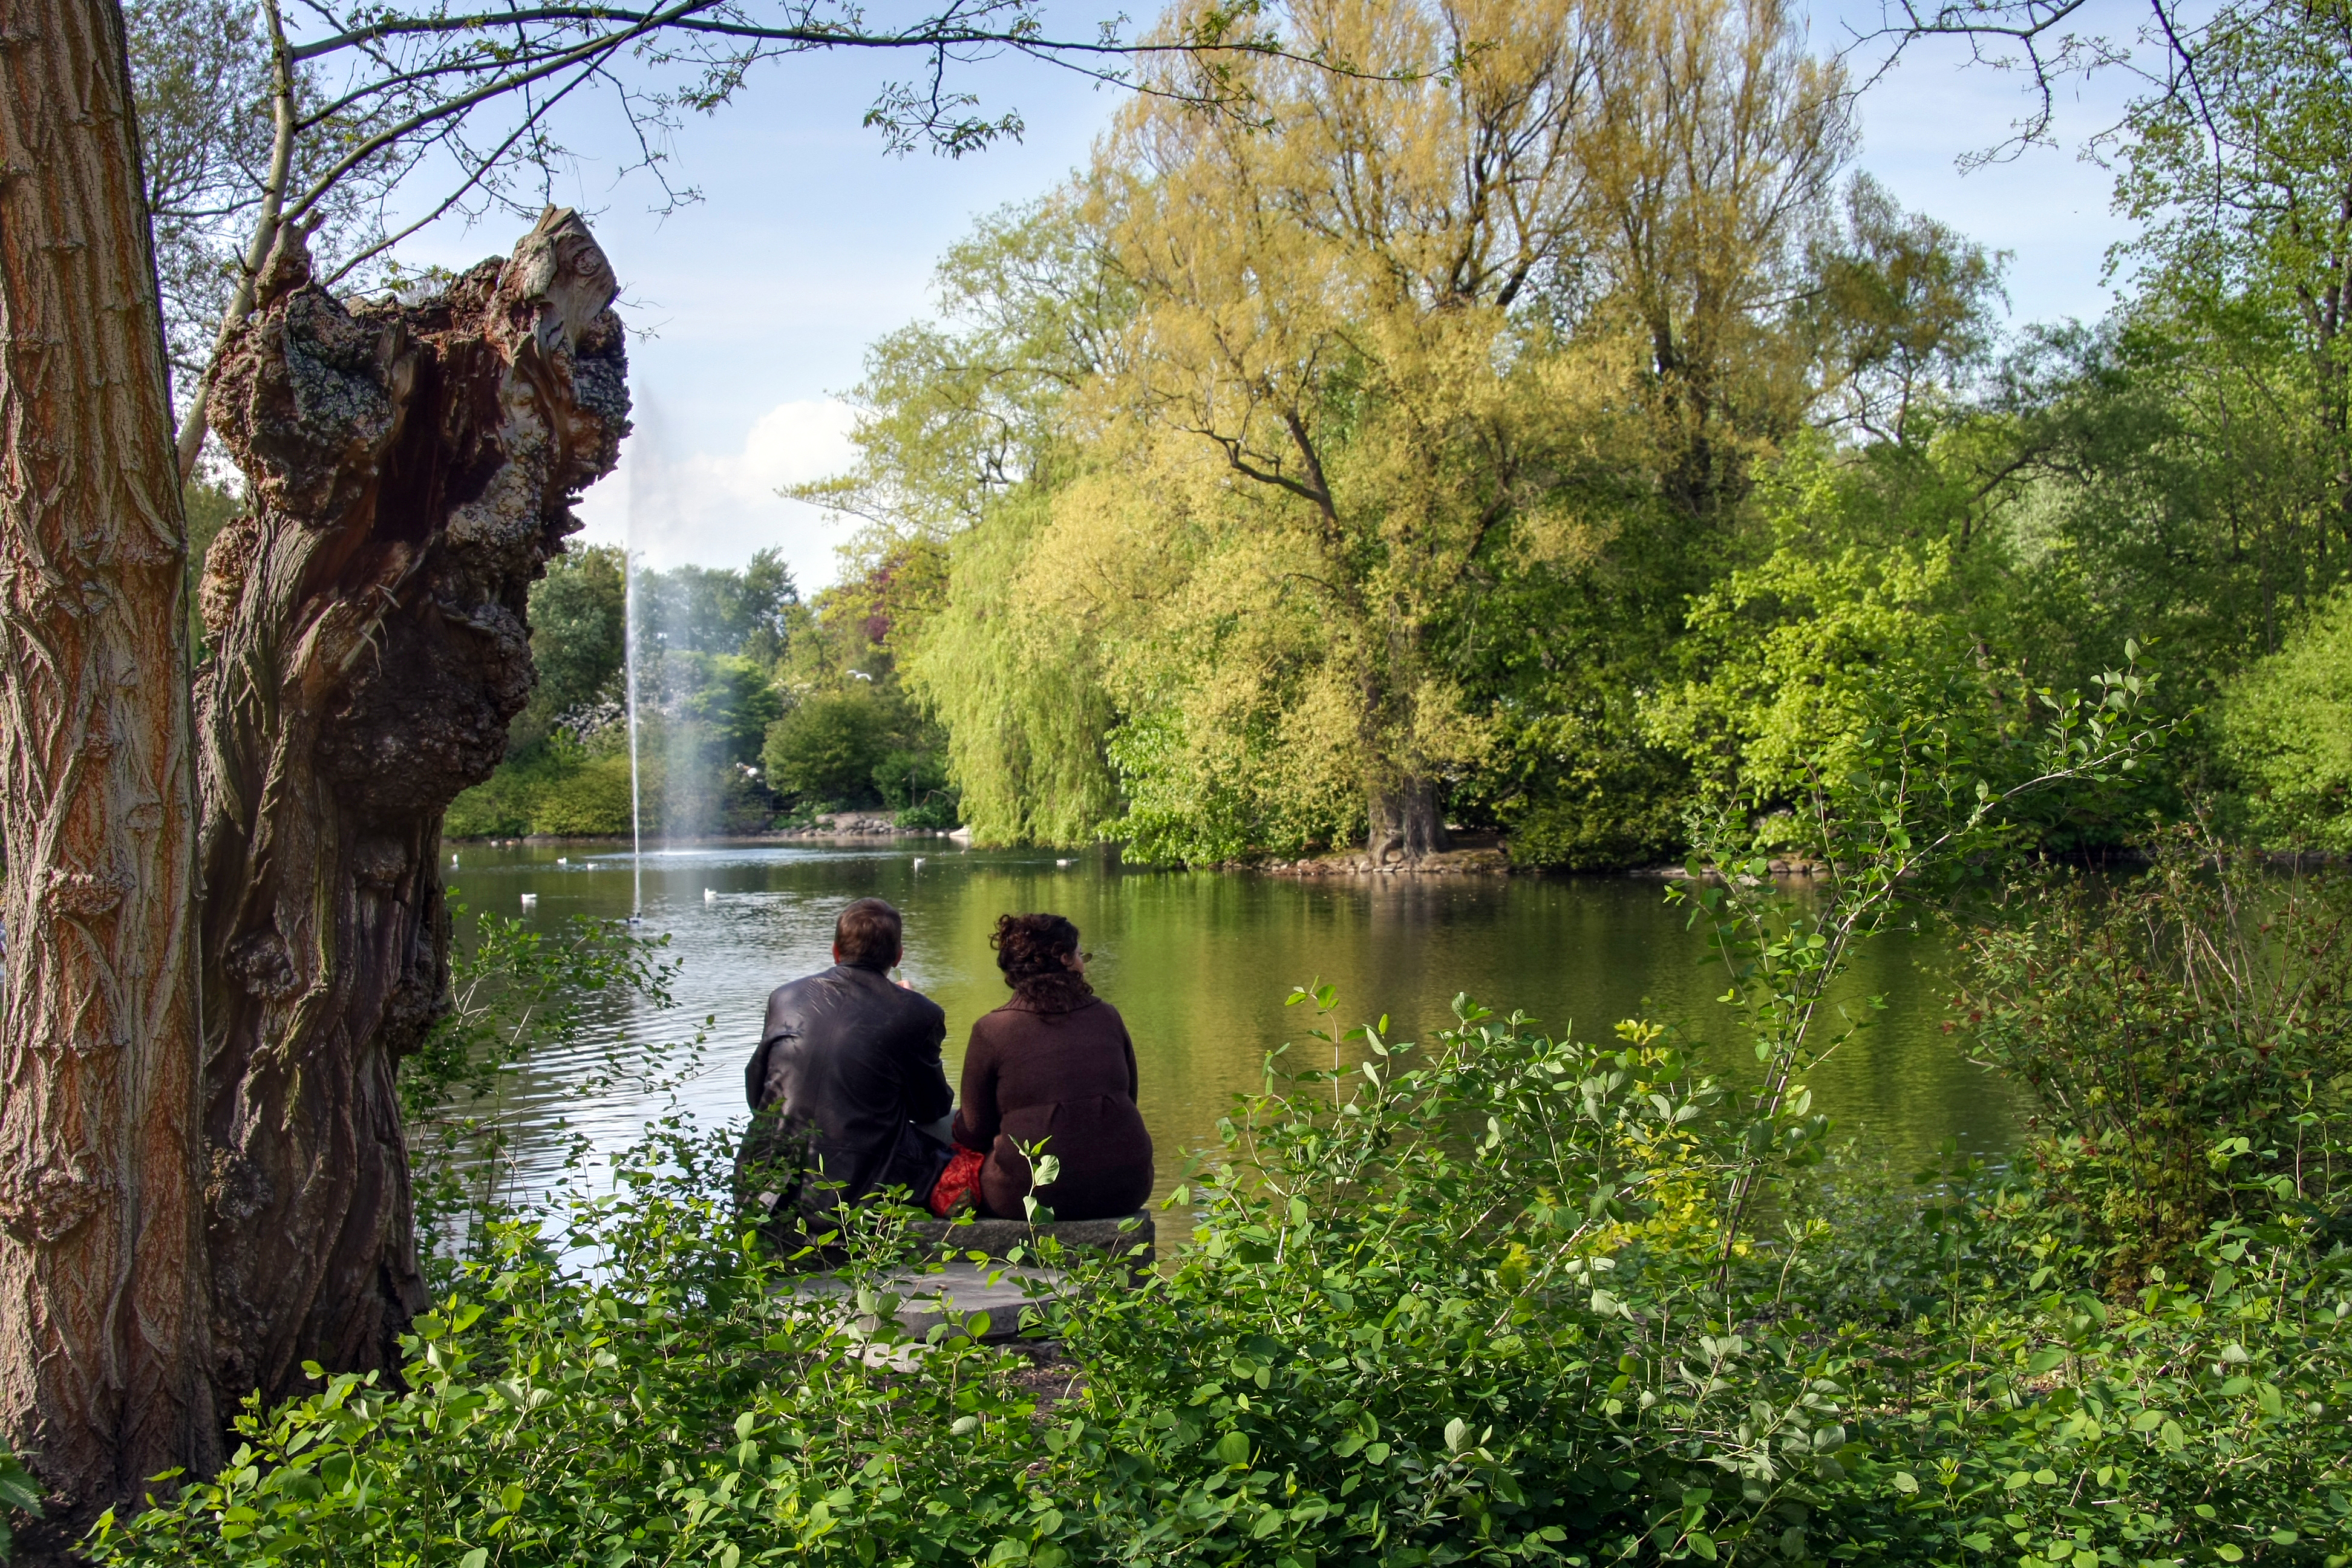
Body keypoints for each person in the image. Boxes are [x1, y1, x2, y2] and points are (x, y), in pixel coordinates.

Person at [736, 898, 954, 1231]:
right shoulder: (918, 1012)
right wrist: (909, 1009)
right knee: (954, 1133)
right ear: (898, 956)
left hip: (765, 1184)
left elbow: (757, 1092)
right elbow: (932, 1107)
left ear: (836, 952)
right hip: (856, 1187)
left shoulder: (785, 997)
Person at [934, 913, 1154, 1222]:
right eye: (1080, 955)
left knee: (941, 1129)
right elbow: (1128, 1099)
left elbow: (975, 1130)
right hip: (1126, 1187)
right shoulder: (1107, 1016)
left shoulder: (992, 1030)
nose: (1083, 963)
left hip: (1030, 1195)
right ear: (1064, 960)